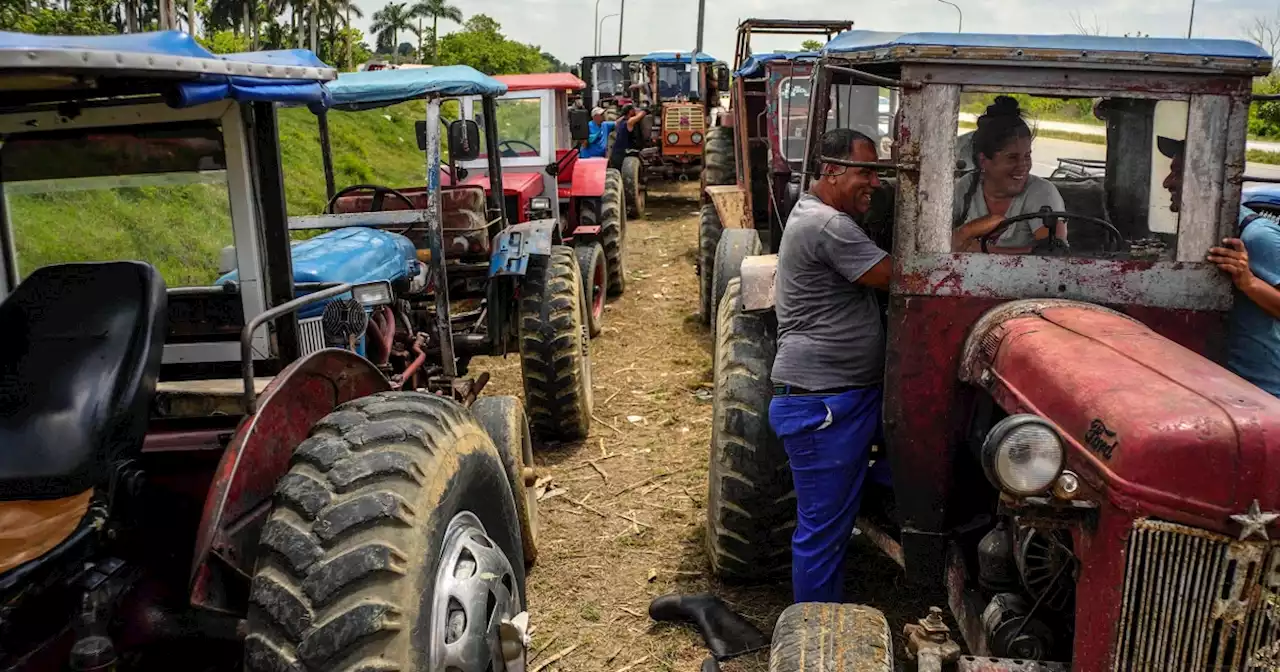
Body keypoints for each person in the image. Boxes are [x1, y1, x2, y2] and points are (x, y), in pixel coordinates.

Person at [769, 128, 892, 604]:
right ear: (832, 171)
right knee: (821, 532)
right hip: (824, 405)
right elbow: (902, 278)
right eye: (865, 171)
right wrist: (961, 238)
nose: (875, 183)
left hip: (846, 398)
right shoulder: (828, 226)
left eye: (877, 172)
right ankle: (815, 633)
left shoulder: (814, 213)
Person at [1160, 136, 1280, 398]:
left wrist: (1249, 282)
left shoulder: (1257, 237)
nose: (1167, 182)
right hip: (1214, 383)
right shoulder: (1197, 230)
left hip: (1261, 391)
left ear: (1205, 182)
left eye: (1177, 173)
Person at [952, 96, 1067, 253]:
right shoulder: (966, 187)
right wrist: (968, 231)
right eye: (1012, 158)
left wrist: (981, 250)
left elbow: (1054, 253)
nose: (1023, 166)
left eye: (1027, 156)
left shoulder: (1041, 192)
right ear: (984, 160)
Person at [608, 104, 647, 171]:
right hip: (622, 153)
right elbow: (640, 115)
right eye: (634, 110)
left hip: (616, 151)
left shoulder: (620, 122)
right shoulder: (629, 122)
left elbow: (620, 119)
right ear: (631, 111)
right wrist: (644, 111)